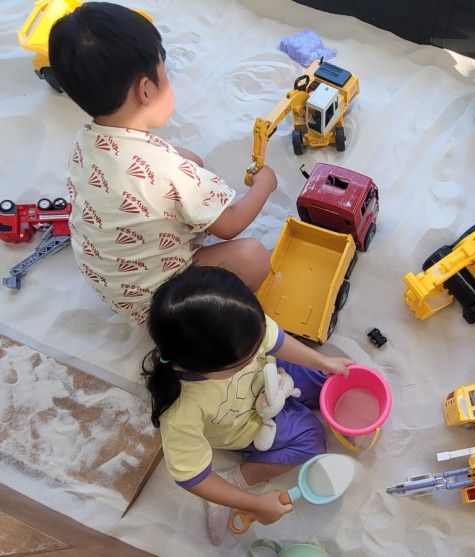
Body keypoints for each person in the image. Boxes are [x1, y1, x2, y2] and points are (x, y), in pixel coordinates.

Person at [49, 3, 274, 325]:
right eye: (164, 75)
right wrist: (267, 182)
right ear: (146, 90)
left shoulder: (85, 140)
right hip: (161, 304)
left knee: (188, 157)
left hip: (111, 281)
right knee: (252, 256)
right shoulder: (167, 172)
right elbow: (230, 226)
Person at [142, 266, 353, 544]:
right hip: (246, 423)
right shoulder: (182, 409)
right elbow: (191, 476)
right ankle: (235, 479)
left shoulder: (237, 322)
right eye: (243, 360)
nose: (257, 351)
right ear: (200, 366)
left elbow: (273, 342)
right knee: (311, 438)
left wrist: (322, 362)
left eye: (257, 344)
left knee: (326, 379)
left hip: (271, 376)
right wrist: (254, 503)